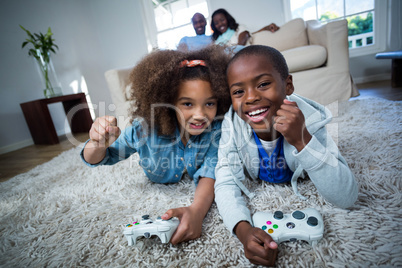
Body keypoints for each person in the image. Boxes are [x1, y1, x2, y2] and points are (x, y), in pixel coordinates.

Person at [214, 45, 358, 266]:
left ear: (288, 85)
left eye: (263, 84)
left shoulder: (308, 121)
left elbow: (346, 197)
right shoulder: (232, 124)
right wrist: (242, 229)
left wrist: (302, 140)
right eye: (238, 91)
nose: (251, 98)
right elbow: (224, 182)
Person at [81, 45, 232, 245]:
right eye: (188, 104)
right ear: (168, 102)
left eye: (209, 104)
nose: (200, 114)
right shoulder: (144, 131)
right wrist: (97, 143)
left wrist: (196, 211)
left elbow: (211, 173)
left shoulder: (217, 130)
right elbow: (102, 157)